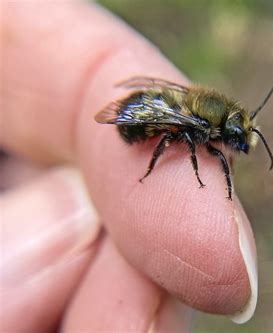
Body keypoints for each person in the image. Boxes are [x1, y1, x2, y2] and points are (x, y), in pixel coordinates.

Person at [1, 2, 257, 331]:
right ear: (215, 127)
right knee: (172, 138)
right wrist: (190, 173)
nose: (239, 140)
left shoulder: (205, 111)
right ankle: (150, 169)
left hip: (147, 102)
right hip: (134, 119)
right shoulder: (196, 126)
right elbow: (185, 142)